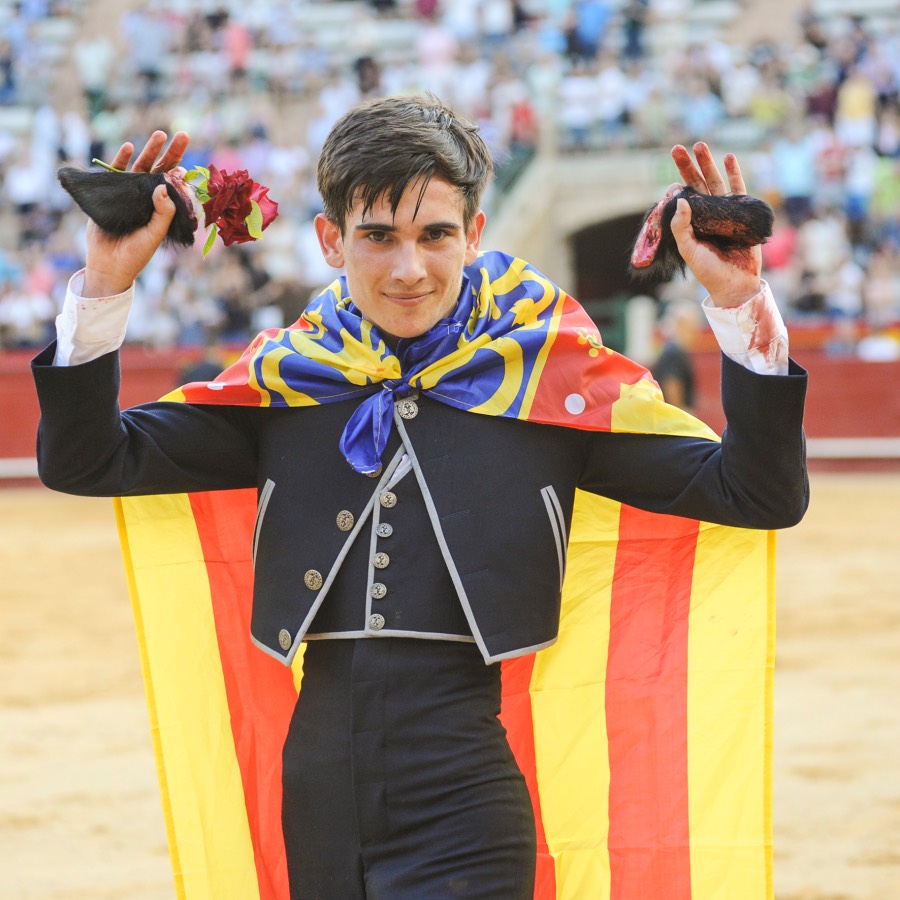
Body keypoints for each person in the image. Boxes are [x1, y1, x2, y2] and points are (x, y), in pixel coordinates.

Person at [32, 94, 808, 899]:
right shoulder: (289, 383)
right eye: (377, 237)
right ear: (332, 240)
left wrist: (737, 304)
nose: (409, 269)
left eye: (436, 235)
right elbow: (89, 462)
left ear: (474, 234)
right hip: (319, 789)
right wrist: (104, 282)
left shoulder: (547, 385)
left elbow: (757, 493)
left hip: (464, 793)